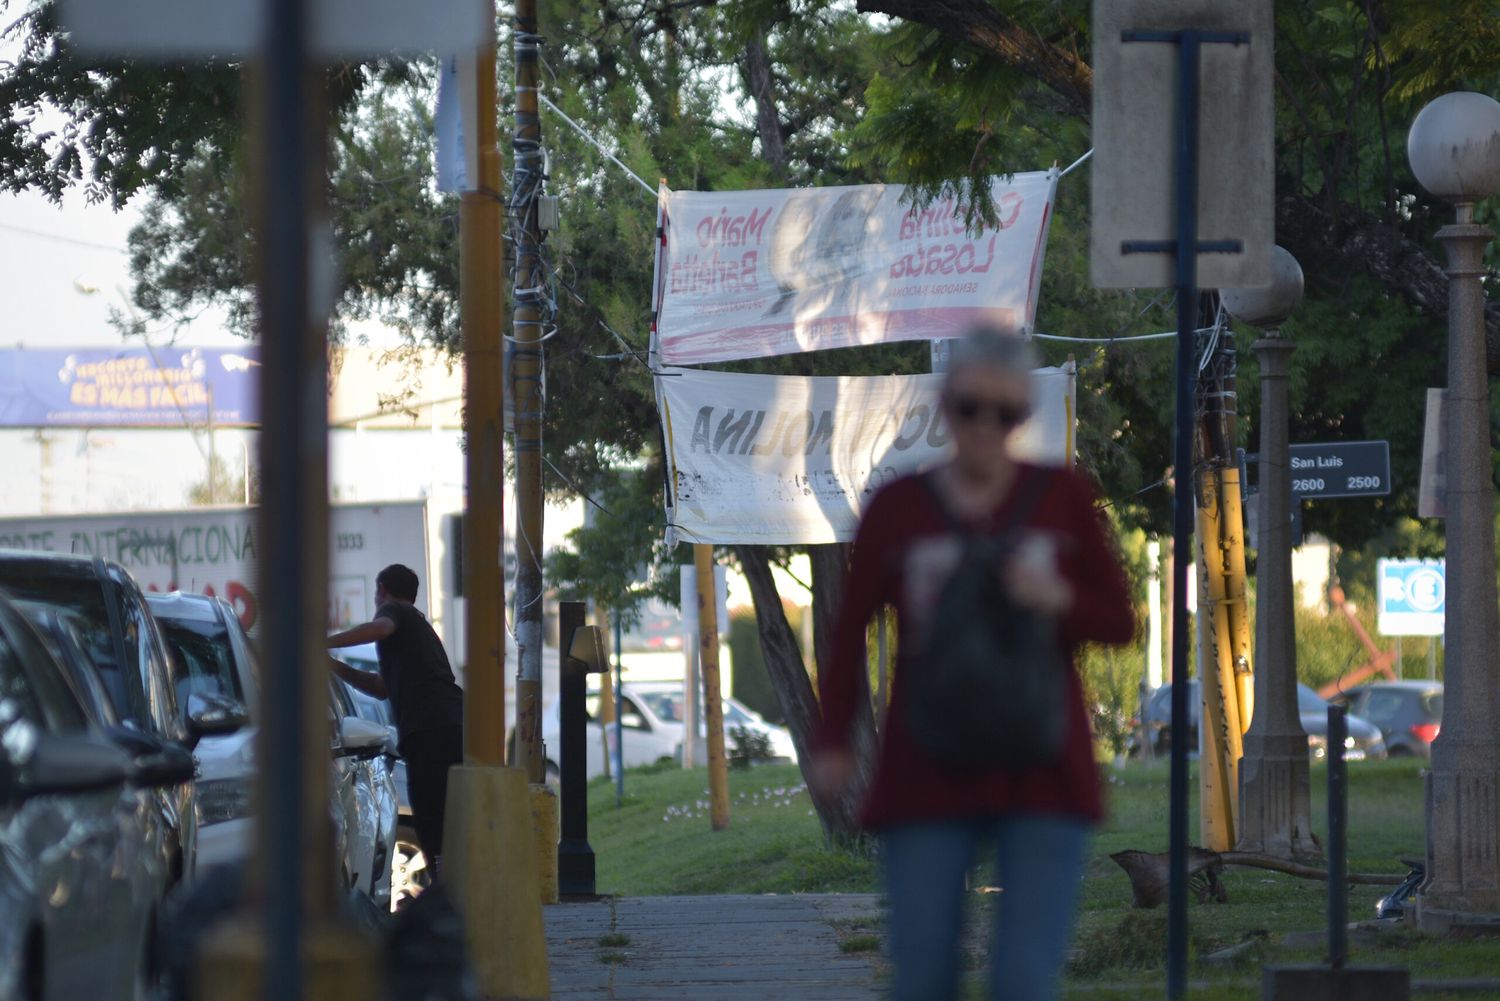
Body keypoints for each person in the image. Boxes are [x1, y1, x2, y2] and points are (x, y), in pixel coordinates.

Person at [809, 327, 1134, 1001]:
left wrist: (1058, 597)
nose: (986, 427)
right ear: (944, 404)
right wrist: (834, 738)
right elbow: (847, 632)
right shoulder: (898, 509)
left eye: (1006, 412)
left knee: (1023, 979)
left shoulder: (1063, 497)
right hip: (927, 766)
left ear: (1023, 416)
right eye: (969, 408)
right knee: (924, 977)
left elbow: (1119, 620)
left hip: (1043, 764)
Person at [328, 563, 464, 876]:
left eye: (377, 594)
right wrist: (334, 667)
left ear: (383, 591)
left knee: (430, 813)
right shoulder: (418, 628)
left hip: (430, 728)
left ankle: (444, 889)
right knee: (443, 813)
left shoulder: (395, 612)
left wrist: (325, 642)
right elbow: (381, 688)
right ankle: (447, 883)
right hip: (450, 722)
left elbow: (380, 628)